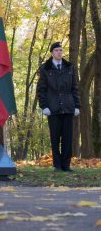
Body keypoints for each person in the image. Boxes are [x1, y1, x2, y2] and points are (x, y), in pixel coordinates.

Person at [37, 42, 80, 172]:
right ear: (52, 52)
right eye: (56, 50)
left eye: (61, 50)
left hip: (68, 106)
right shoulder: (45, 68)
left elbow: (74, 88)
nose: (59, 53)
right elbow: (41, 90)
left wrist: (77, 105)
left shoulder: (69, 67)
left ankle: (66, 165)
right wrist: (44, 106)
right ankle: (57, 165)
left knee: (67, 137)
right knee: (55, 137)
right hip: (53, 107)